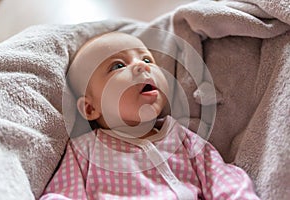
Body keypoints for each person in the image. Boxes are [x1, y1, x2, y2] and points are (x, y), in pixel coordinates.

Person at [40, 32, 260, 200]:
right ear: (90, 109)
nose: (140, 67)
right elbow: (63, 194)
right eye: (118, 65)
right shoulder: (85, 151)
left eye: (147, 60)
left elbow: (222, 178)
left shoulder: (181, 138)